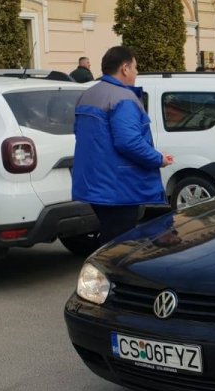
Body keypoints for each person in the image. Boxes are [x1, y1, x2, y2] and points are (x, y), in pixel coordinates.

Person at [72, 46, 173, 244]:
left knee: (110, 236)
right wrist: (158, 159)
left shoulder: (88, 95)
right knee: (119, 243)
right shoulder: (123, 98)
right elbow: (129, 142)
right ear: (125, 68)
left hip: (94, 182)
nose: (136, 73)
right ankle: (110, 275)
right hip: (118, 186)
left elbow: (80, 133)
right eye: (135, 68)